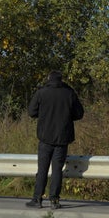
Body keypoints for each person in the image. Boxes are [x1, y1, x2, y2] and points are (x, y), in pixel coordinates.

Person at [26, 70, 84, 209]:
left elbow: (31, 112)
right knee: (57, 170)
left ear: (49, 78)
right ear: (61, 79)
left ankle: (37, 199)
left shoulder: (42, 92)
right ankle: (54, 200)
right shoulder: (69, 93)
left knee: (42, 170)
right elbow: (79, 114)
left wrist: (44, 114)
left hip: (45, 137)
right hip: (62, 138)